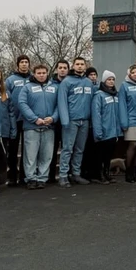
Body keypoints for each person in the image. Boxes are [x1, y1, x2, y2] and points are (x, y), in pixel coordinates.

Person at [17, 63, 59, 189]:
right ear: (34, 74)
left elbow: (59, 105)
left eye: (43, 73)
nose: (41, 75)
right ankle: (31, 178)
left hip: (49, 127)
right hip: (31, 127)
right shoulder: (27, 87)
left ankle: (42, 178)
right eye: (39, 73)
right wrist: (35, 119)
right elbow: (22, 103)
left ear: (48, 73)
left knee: (46, 155)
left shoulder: (54, 87)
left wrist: (53, 118)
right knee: (30, 155)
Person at [57, 57, 94, 187]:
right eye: (77, 64)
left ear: (85, 66)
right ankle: (63, 175)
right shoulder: (66, 82)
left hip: (85, 121)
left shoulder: (89, 82)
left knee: (79, 149)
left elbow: (92, 103)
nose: (79, 66)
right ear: (73, 66)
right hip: (71, 121)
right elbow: (62, 102)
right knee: (67, 149)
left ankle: (76, 174)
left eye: (82, 64)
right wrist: (65, 120)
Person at [118, 64, 136, 183]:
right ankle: (128, 173)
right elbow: (122, 105)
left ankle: (135, 172)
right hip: (131, 120)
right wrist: (124, 122)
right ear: (129, 74)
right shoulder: (125, 86)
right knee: (133, 145)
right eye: (133, 72)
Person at [5, 55, 32, 186]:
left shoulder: (33, 79)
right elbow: (6, 98)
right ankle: (12, 176)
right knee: (13, 148)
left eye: (26, 62)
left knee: (27, 149)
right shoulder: (10, 80)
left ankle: (23, 176)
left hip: (29, 120)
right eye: (22, 62)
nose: (24, 64)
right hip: (14, 119)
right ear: (17, 65)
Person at [91, 70, 122, 183]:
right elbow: (96, 114)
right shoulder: (99, 95)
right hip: (103, 130)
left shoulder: (116, 95)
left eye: (113, 79)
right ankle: (99, 175)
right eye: (109, 79)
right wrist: (98, 131)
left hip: (113, 131)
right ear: (104, 81)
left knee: (108, 155)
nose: (111, 81)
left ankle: (106, 173)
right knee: (100, 155)